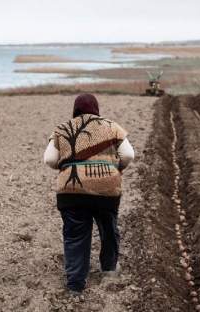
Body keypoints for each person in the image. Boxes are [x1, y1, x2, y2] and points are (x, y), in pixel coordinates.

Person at [43, 93, 135, 294]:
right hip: (107, 188)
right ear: (96, 110)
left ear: (75, 110)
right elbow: (129, 155)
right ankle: (109, 269)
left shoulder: (62, 128)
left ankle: (75, 283)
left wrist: (66, 167)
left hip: (71, 191)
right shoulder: (112, 126)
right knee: (108, 227)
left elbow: (49, 159)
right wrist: (116, 168)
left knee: (75, 235)